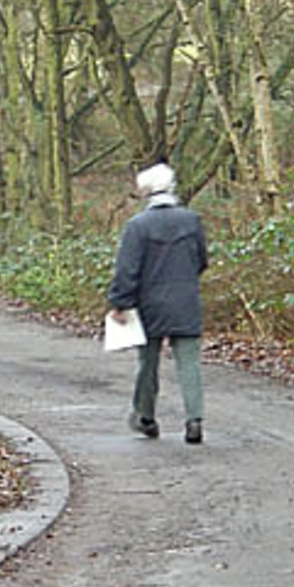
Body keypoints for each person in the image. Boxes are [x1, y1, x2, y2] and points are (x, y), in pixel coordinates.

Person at [108, 160, 209, 444]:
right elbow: (202, 260)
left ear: (146, 191)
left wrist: (120, 302)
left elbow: (127, 269)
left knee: (147, 364)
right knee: (189, 364)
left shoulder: (137, 226)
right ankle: (194, 419)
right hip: (186, 301)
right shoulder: (192, 221)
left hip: (149, 304)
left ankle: (145, 416)